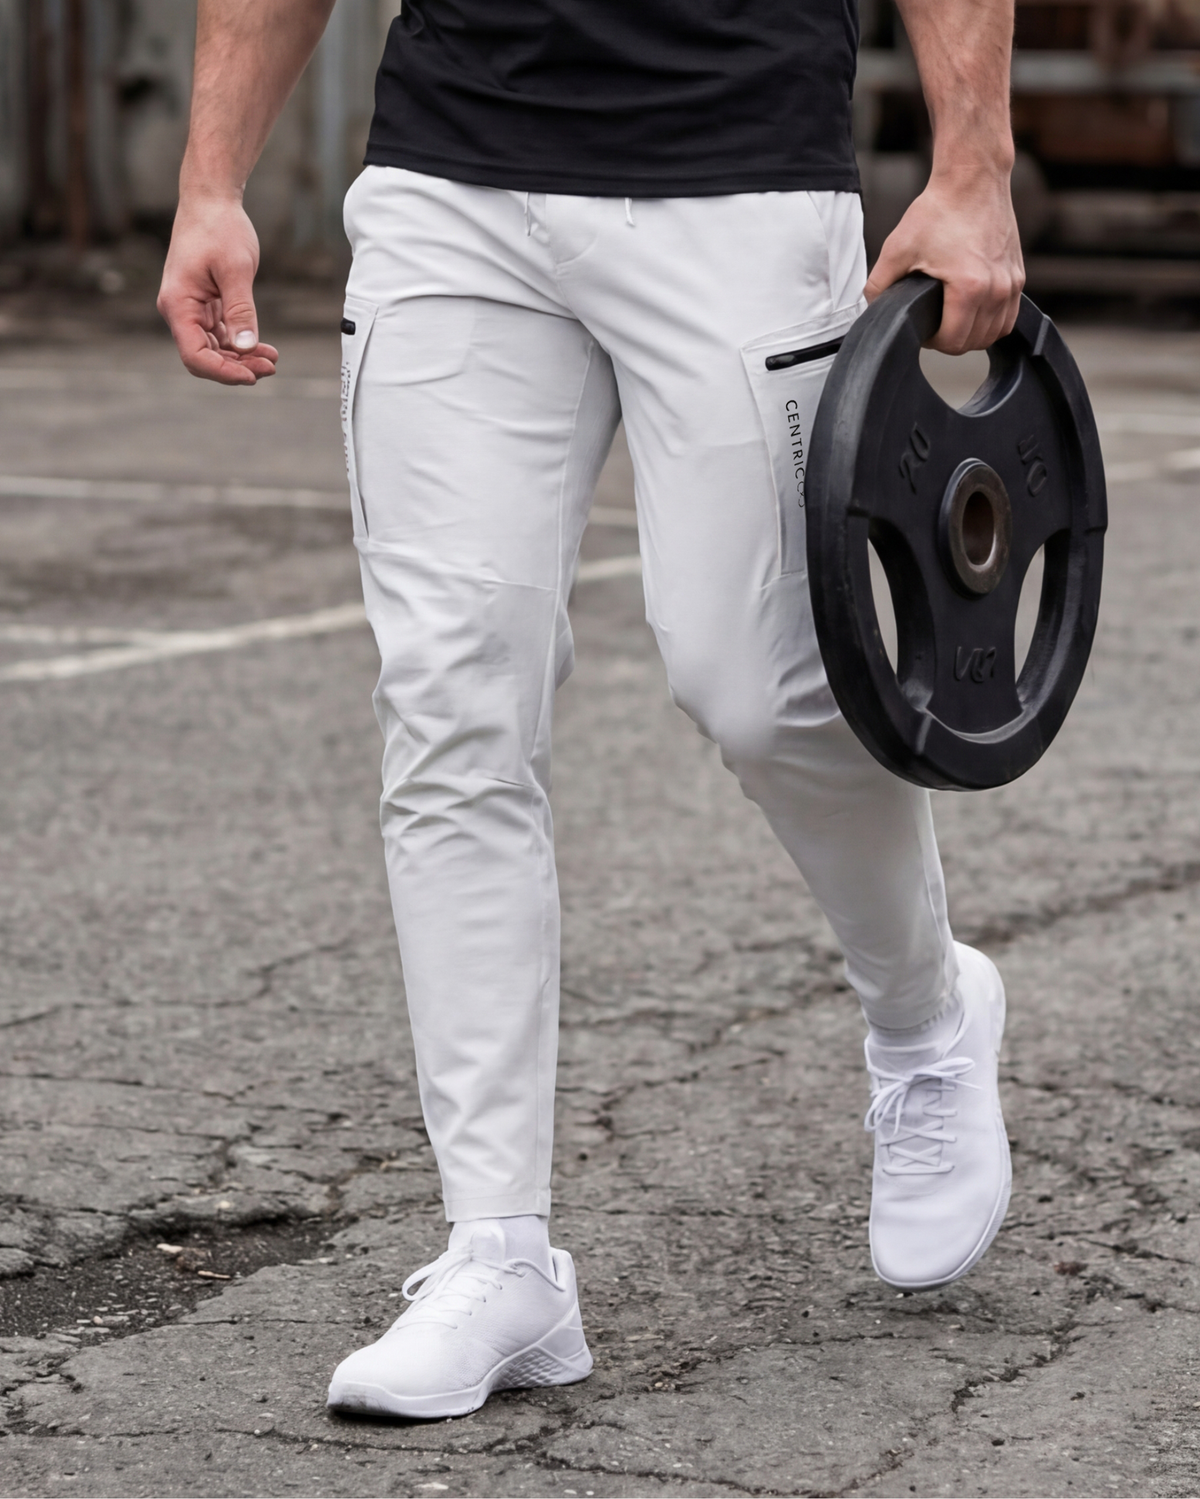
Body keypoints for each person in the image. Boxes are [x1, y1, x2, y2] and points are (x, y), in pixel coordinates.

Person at [158, 0, 1024, 1422]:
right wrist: (212, 178)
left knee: (760, 686)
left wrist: (973, 166)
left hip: (739, 164)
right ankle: (498, 1252)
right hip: (453, 171)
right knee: (450, 703)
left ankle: (928, 1019)